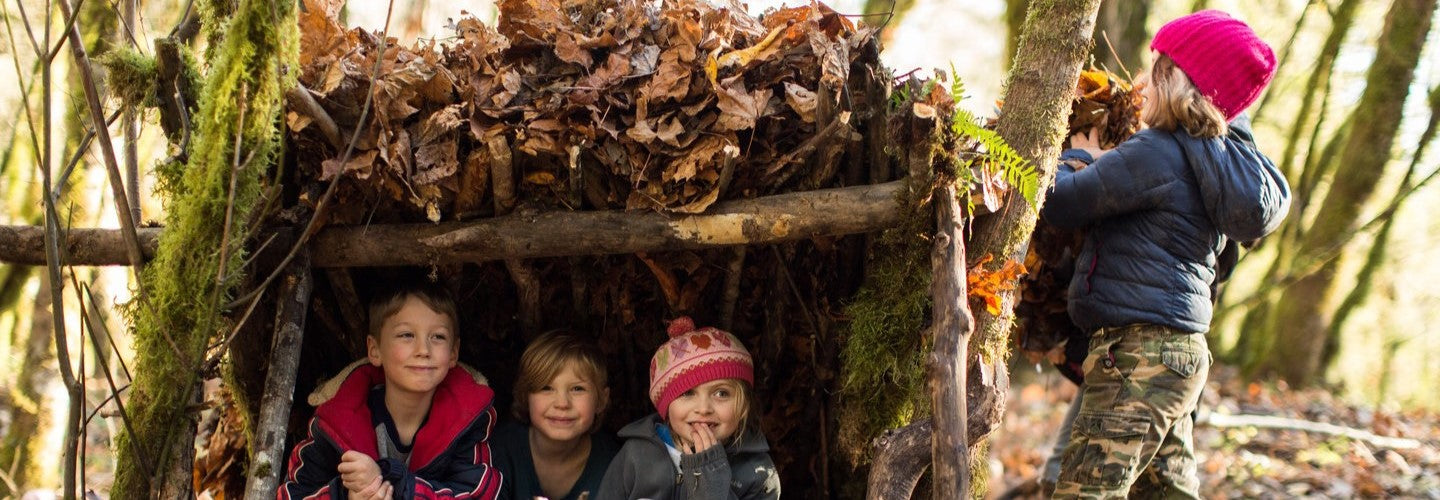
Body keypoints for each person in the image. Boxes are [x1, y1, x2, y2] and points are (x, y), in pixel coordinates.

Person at [1040, 9, 1289, 498]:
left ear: (1178, 81)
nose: (1144, 84)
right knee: (1167, 492)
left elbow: (1061, 202)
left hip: (1136, 355)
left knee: (1086, 491)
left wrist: (1078, 158)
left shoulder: (1157, 150)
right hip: (1181, 357)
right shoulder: (1211, 161)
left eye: (1156, 69)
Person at [279, 282, 503, 500]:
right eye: (406, 335)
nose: (424, 350)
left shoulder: (467, 417)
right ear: (374, 350)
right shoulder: (335, 419)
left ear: (453, 353)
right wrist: (348, 494)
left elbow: (480, 494)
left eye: (438, 337)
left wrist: (398, 485)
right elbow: (292, 494)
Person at [594, 317, 780, 500]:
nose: (704, 408)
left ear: (744, 406)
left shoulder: (758, 473)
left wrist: (712, 483)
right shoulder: (636, 456)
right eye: (687, 393)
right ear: (665, 406)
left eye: (721, 393)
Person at [492, 330, 620, 500]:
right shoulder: (500, 450)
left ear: (601, 400)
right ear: (525, 395)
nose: (562, 403)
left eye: (577, 389)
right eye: (546, 388)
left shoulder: (615, 464)